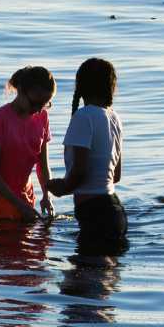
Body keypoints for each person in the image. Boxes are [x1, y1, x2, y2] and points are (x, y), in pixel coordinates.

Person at [49, 57, 126, 256]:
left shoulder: (83, 117)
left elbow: (81, 171)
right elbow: (115, 176)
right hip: (116, 211)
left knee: (81, 284)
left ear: (81, 85)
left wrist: (61, 188)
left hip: (95, 213)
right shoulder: (114, 117)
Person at [0, 66, 55, 226]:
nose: (38, 109)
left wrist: (47, 196)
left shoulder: (42, 117)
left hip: (27, 201)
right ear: (21, 90)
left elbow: (43, 165)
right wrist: (19, 205)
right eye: (35, 103)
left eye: (44, 104)